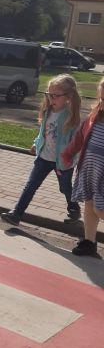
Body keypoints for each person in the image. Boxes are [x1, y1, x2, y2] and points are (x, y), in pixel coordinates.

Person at [0, 74, 81, 227]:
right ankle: (16, 214)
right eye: (49, 94)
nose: (51, 99)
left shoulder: (70, 117)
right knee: (31, 185)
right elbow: (43, 133)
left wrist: (69, 157)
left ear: (68, 96)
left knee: (65, 187)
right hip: (44, 157)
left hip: (62, 162)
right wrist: (36, 144)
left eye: (55, 96)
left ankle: (74, 208)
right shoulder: (47, 111)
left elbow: (76, 142)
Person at [61, 76, 104, 257]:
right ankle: (89, 241)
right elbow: (80, 137)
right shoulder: (95, 115)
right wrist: (68, 153)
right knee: (89, 203)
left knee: (99, 208)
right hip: (90, 168)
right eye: (102, 96)